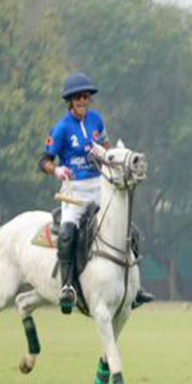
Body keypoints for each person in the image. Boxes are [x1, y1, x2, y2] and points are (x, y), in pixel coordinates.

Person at [40, 73, 153, 315]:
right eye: (78, 97)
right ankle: (68, 286)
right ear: (70, 101)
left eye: (86, 97)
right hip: (74, 192)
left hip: (99, 187)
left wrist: (114, 155)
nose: (83, 101)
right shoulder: (60, 128)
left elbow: (106, 146)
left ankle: (135, 288)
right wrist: (57, 169)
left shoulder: (96, 121)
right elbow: (44, 161)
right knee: (69, 234)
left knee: (130, 231)